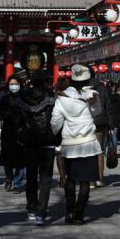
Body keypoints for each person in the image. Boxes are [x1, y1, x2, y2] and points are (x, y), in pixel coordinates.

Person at [51, 66, 103, 225]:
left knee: (71, 179)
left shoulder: (62, 97)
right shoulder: (92, 95)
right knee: (85, 181)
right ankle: (79, 214)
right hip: (89, 143)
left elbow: (56, 122)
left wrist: (54, 134)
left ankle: (69, 212)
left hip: (70, 144)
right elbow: (97, 112)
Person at [19, 71, 59, 225]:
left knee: (31, 177)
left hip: (30, 141)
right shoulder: (51, 97)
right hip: (47, 140)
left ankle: (31, 207)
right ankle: (41, 213)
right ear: (46, 81)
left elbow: (19, 119)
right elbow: (56, 119)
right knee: (46, 179)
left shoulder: (23, 97)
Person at [0, 77, 27, 193]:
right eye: (11, 84)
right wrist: (7, 113)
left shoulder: (25, 97)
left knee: (21, 160)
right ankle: (9, 178)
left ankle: (17, 183)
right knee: (7, 159)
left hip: (22, 132)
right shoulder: (5, 98)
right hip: (8, 133)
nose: (14, 86)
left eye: (16, 83)